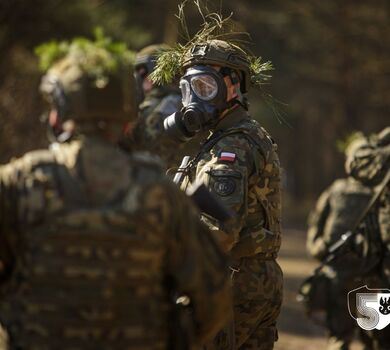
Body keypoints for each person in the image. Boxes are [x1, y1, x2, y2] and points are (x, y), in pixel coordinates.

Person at [0, 36, 231, 350]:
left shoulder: (18, 183)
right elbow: (213, 297)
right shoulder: (162, 195)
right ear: (127, 123)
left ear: (59, 115)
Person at [153, 37, 283, 349]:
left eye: (205, 87)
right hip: (254, 280)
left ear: (233, 86)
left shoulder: (230, 147)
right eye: (188, 89)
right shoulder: (242, 135)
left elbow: (219, 232)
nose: (195, 100)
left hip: (232, 282)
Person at [306, 128, 390, 350]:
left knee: (338, 338)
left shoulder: (336, 191)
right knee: (375, 341)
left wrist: (321, 252)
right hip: (371, 279)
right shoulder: (380, 193)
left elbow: (316, 228)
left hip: (339, 276)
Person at [133, 44, 205, 168]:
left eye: (144, 72)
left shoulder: (170, 104)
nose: (141, 77)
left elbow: (154, 147)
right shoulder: (183, 100)